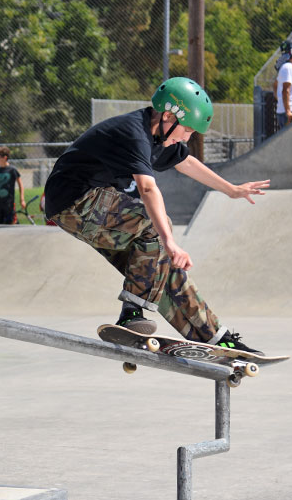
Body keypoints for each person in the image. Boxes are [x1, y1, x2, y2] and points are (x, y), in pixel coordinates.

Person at [43, 76, 271, 354]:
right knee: (156, 229)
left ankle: (214, 337)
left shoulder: (159, 139)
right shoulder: (134, 133)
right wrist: (170, 239)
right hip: (76, 200)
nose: (186, 138)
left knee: (161, 269)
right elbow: (148, 188)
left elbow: (187, 163)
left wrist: (231, 190)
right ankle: (132, 312)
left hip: (89, 210)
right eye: (186, 131)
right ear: (167, 116)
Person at [0, 146, 24, 225]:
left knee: (9, 222)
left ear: (5, 158)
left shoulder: (12, 170)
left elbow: (20, 184)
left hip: (8, 202)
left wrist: (22, 199)